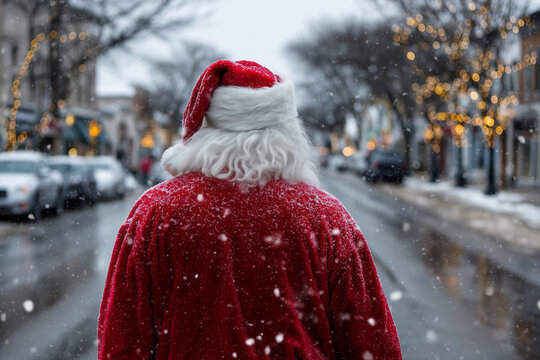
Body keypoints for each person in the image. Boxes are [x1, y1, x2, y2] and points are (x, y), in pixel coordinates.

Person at [98, 60, 402, 359]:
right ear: (288, 133)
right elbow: (375, 344)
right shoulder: (327, 217)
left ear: (207, 128)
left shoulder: (156, 211)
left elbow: (120, 342)